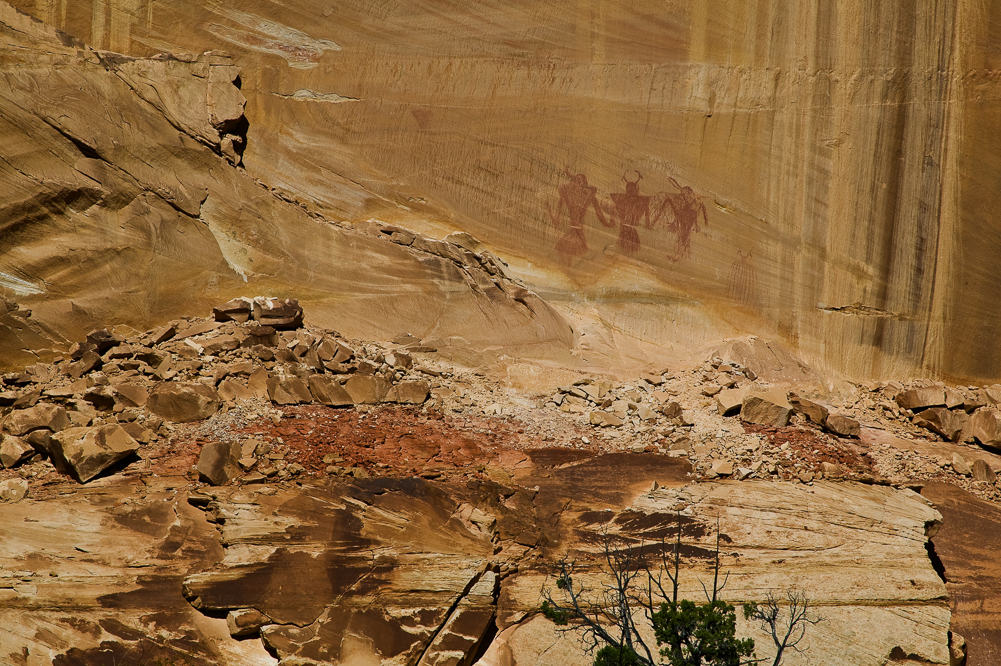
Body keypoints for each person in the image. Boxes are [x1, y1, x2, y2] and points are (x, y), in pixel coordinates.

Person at [547, 171, 610, 263]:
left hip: (576, 231)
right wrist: (550, 212)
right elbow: (556, 222)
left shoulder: (587, 197)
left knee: (568, 254)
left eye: (581, 183)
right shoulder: (569, 196)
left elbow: (600, 216)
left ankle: (569, 266)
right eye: (577, 182)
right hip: (574, 231)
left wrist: (608, 221)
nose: (579, 186)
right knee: (566, 254)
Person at [654, 176, 709, 261]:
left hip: (687, 215)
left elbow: (694, 213)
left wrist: (696, 224)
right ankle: (680, 255)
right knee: (683, 237)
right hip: (685, 215)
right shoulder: (686, 201)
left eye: (685, 194)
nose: (683, 196)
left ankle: (680, 255)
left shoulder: (691, 202)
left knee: (684, 237)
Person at [609, 171, 650, 253]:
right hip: (625, 228)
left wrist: (647, 222)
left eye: (632, 189)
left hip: (629, 228)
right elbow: (613, 207)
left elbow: (646, 208)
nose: (630, 191)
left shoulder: (638, 201)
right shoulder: (622, 199)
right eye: (629, 189)